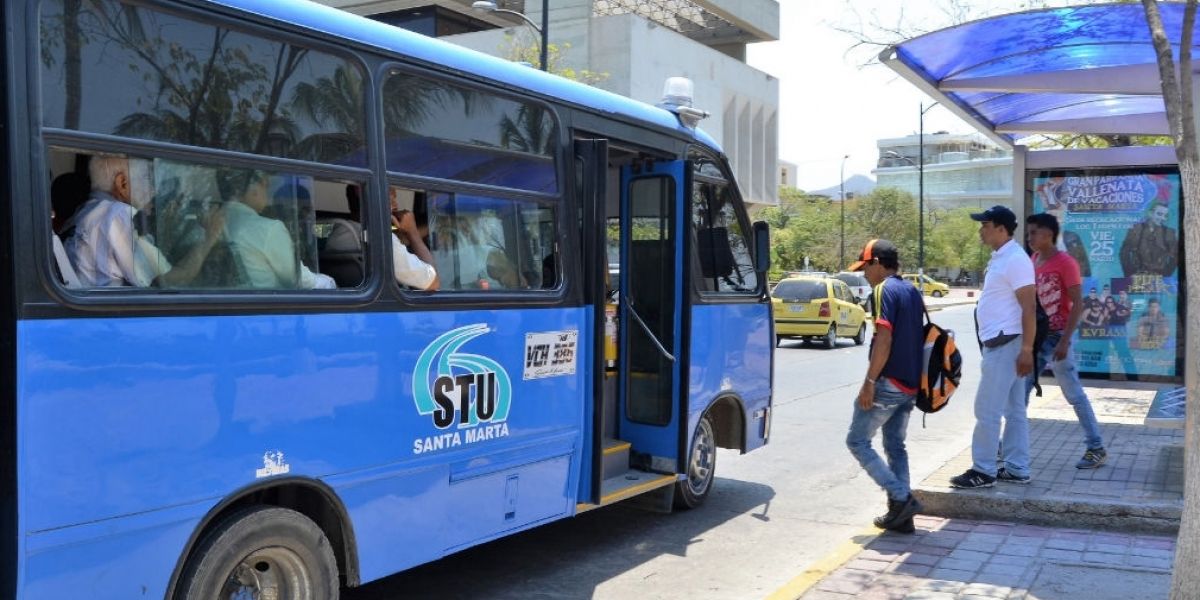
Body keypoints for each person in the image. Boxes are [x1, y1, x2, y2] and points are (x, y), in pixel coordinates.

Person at [843, 239, 926, 533]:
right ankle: (901, 516)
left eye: (866, 267)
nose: (864, 273)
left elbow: (885, 339)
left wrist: (869, 383)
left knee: (857, 441)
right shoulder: (911, 291)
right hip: (911, 383)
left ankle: (902, 499)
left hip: (888, 382)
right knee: (895, 445)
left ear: (877, 262)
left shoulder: (883, 290)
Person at [950, 205, 1036, 488]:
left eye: (985, 225)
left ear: (1001, 228)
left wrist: (1026, 350)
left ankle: (983, 470)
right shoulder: (1002, 257)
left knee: (987, 410)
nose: (980, 229)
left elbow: (1029, 308)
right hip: (1004, 343)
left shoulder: (1015, 259)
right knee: (1014, 411)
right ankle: (1017, 468)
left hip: (1007, 344)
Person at [1024, 213, 1107, 470]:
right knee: (1020, 390)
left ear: (1048, 234)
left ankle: (1096, 447)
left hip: (1058, 336)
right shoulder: (1034, 259)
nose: (1029, 238)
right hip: (1039, 336)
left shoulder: (1066, 262)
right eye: (1029, 233)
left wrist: (1065, 341)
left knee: (1072, 393)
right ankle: (1010, 446)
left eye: (1033, 233)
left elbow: (1078, 303)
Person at [64, 155, 223, 287]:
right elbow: (170, 279)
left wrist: (166, 228)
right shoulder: (117, 213)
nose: (153, 189)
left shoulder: (86, 211)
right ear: (122, 183)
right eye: (147, 178)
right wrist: (211, 237)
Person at [223, 170, 334, 290]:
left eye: (306, 210)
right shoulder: (268, 229)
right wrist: (330, 282)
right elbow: (301, 281)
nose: (267, 193)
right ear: (253, 189)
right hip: (270, 304)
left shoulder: (222, 223)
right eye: (265, 186)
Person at [388, 187, 439, 291]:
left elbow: (402, 242)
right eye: (391, 198)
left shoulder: (352, 231)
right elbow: (433, 283)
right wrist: (413, 232)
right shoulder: (386, 241)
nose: (396, 205)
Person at [1119, 188, 1178, 277]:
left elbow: (1175, 256)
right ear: (1150, 213)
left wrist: (1166, 274)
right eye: (1159, 214)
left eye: (1165, 216)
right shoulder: (1136, 229)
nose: (1162, 218)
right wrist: (1129, 274)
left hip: (1160, 277)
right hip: (1137, 275)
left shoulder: (1169, 232)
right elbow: (1124, 253)